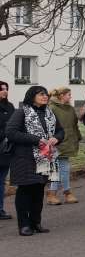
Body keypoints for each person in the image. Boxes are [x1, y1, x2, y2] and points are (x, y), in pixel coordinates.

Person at [5, 85, 64, 235]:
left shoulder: (49, 113)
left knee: (38, 190)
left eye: (46, 94)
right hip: (25, 157)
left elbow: (60, 131)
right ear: (32, 96)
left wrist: (56, 138)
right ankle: (24, 225)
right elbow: (11, 132)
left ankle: (35, 222)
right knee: (25, 190)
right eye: (41, 94)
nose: (45, 97)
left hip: (45, 157)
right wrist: (36, 140)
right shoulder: (21, 112)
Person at [47, 87, 80, 206]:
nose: (70, 97)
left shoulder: (70, 108)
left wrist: (78, 137)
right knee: (58, 169)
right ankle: (56, 194)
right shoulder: (51, 108)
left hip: (68, 141)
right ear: (61, 95)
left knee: (63, 168)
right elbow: (48, 127)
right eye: (68, 94)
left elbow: (74, 125)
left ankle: (61, 193)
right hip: (56, 142)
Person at [0, 80, 12, 220]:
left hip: (5, 150)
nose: (5, 91)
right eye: (1, 89)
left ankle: (0, 209)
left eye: (6, 88)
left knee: (1, 181)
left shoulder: (10, 106)